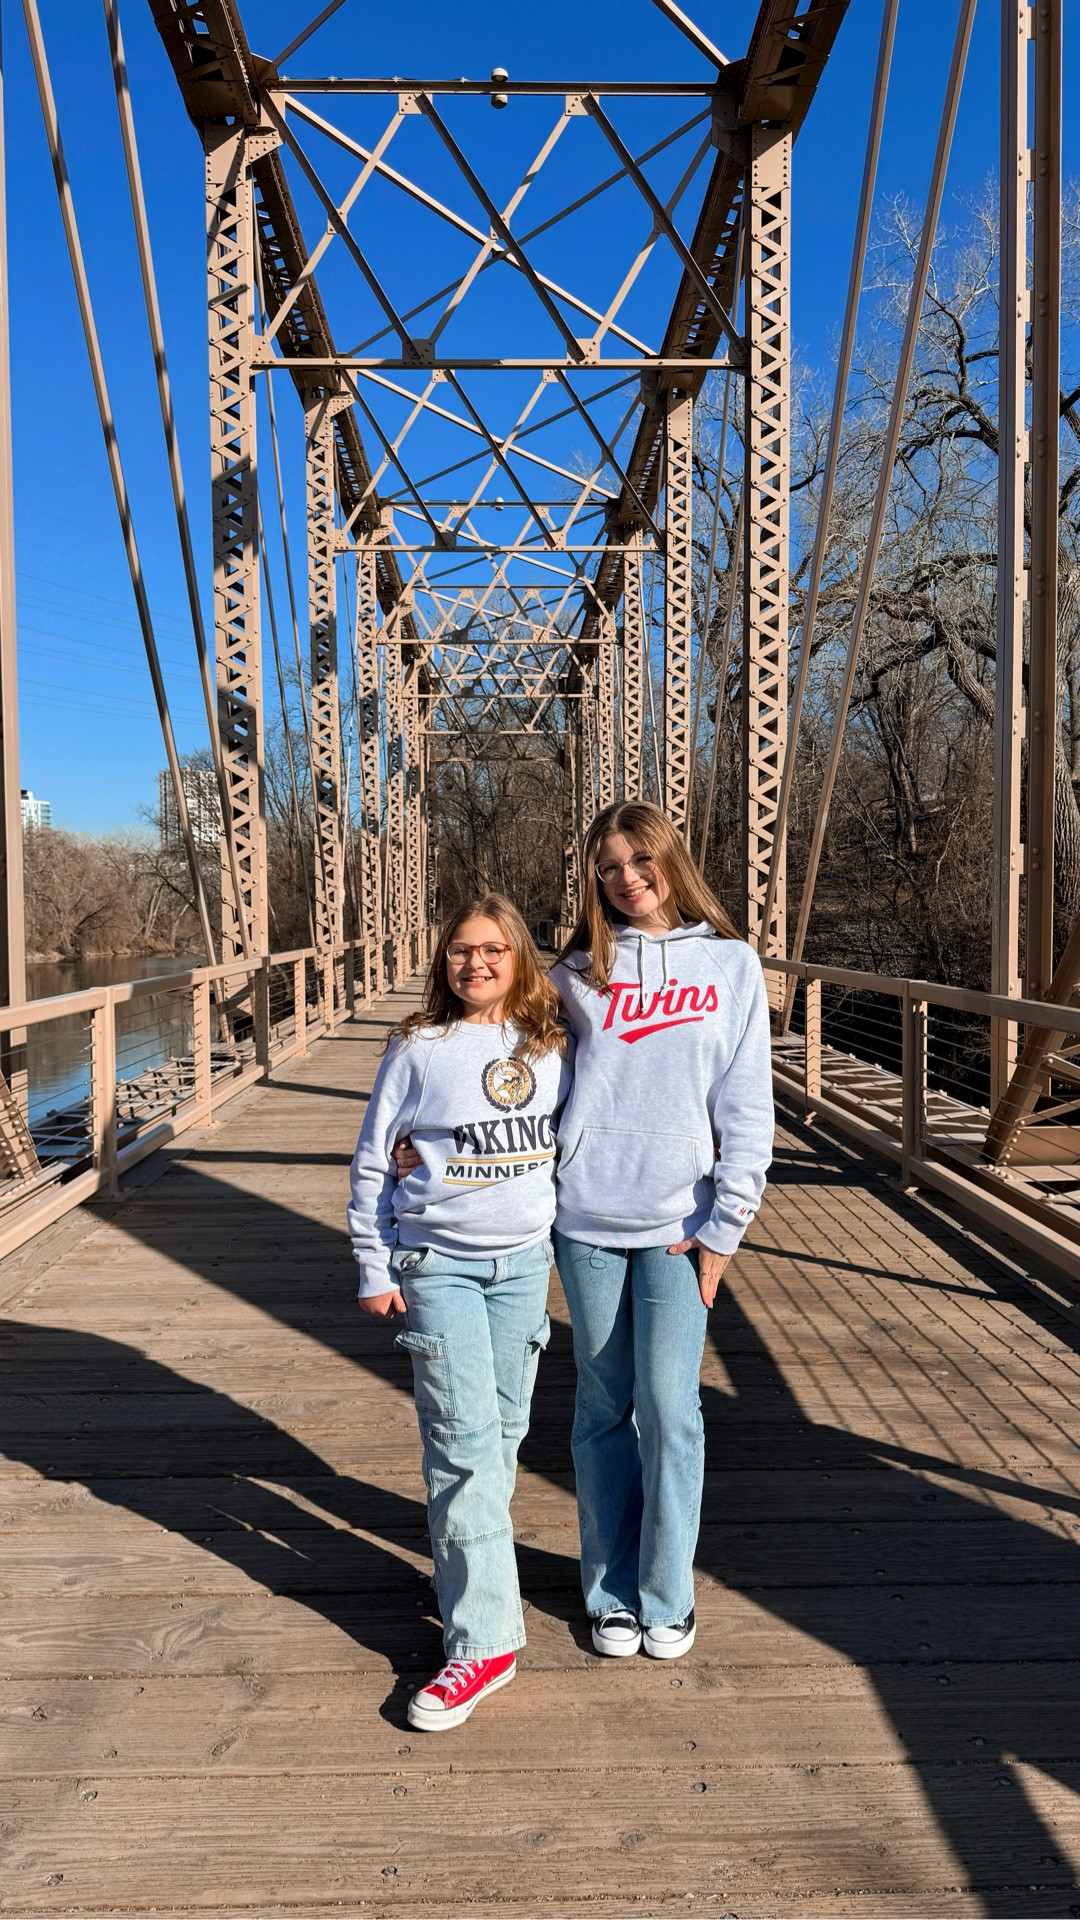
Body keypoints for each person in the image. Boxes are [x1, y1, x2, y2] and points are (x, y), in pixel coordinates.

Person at [551, 801, 773, 1661]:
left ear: (670, 862)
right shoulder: (575, 973)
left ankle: (667, 1594)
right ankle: (608, 1592)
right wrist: (424, 1137)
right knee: (603, 1408)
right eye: (608, 866)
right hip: (587, 1220)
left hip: (682, 1225)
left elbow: (748, 1108)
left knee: (674, 1411)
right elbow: (514, 1079)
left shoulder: (730, 967)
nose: (627, 878)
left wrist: (727, 1226)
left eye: (640, 859)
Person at [348, 894, 570, 1731]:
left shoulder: (553, 1043)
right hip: (436, 1264)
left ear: (519, 956)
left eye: (491, 951)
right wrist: (374, 1263)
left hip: (524, 1266)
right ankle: (483, 1642)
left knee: (500, 1437)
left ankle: (466, 1571)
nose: (473, 964)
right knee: (462, 1446)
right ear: (441, 962)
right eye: (458, 952)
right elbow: (374, 1158)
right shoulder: (417, 1045)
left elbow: (604, 1119)